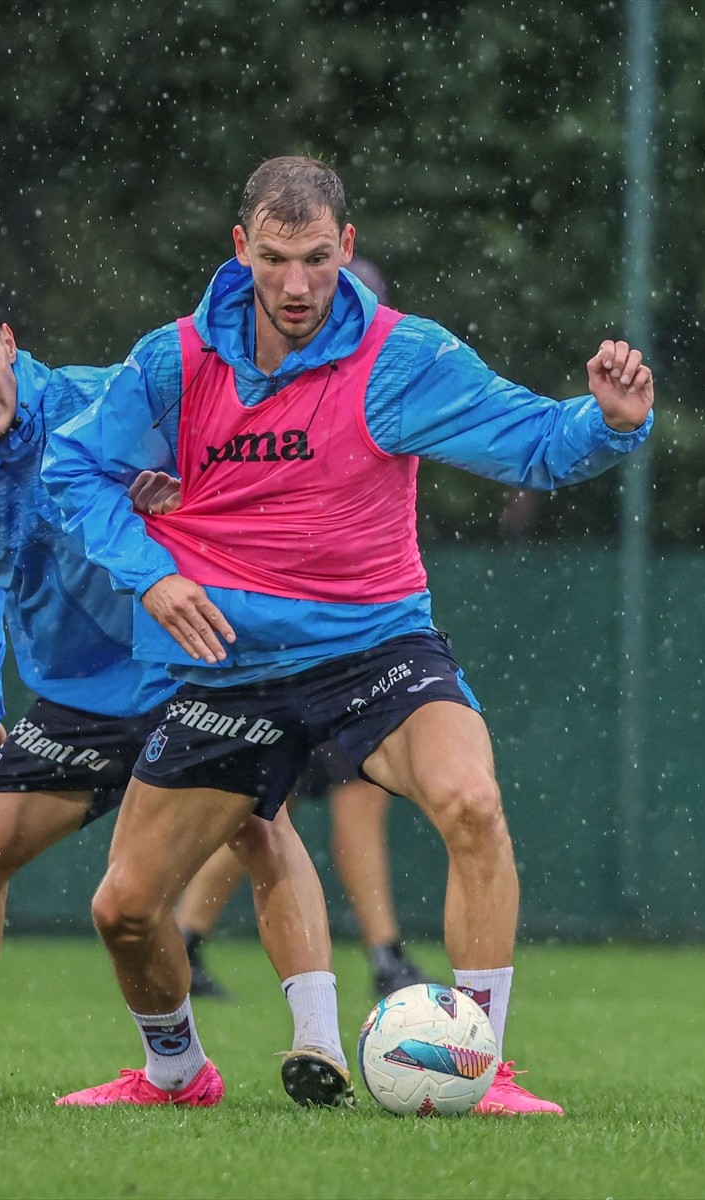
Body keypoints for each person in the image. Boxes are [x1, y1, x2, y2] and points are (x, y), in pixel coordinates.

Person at [42, 155, 654, 1116]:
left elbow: (533, 439)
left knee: (473, 804)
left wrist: (609, 425)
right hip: (227, 664)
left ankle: (482, 1067)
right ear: (240, 248)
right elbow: (71, 468)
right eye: (277, 259)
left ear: (348, 248)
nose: (296, 285)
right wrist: (153, 577)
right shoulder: (177, 361)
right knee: (123, 909)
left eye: (318, 259)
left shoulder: (401, 357)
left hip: (376, 648)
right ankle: (175, 1076)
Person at [0, 282, 347, 1108]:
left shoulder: (109, 401)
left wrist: (183, 493)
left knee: (258, 825)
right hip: (78, 701)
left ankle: (320, 1045)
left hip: (192, 666)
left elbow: (245, 459)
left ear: (10, 340)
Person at [175, 258, 425, 1005]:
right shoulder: (250, 388)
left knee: (292, 810)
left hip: (354, 640)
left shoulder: (387, 383)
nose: (305, 293)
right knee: (256, 812)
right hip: (292, 648)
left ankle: (382, 957)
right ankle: (193, 940)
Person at [177, 741, 426, 1001]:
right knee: (356, 789)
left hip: (291, 705)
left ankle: (184, 945)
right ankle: (387, 959)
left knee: (266, 816)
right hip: (328, 703)